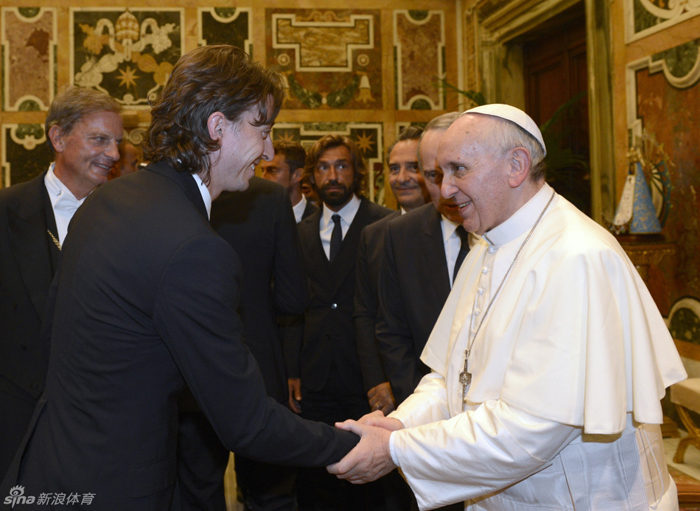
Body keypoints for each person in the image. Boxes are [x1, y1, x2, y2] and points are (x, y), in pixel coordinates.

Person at [0, 45, 358, 511]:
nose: (268, 149)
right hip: (116, 487)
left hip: (48, 470)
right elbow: (245, 422)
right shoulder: (195, 248)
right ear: (217, 128)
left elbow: (58, 341)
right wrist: (354, 445)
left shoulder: (108, 200)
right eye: (262, 130)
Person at [327, 104, 687, 511]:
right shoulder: (488, 245)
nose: (444, 190)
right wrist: (400, 422)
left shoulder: (576, 258)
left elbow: (531, 429)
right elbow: (450, 377)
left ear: (516, 165)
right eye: (441, 174)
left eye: (458, 170)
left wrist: (398, 448)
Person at [0, 85, 122, 481]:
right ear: (57, 137)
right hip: (16, 422)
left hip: (105, 427)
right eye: (100, 139)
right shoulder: (6, 212)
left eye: (117, 142)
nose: (114, 154)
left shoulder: (130, 220)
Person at [292, 134, 392, 510]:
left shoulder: (385, 224)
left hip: (366, 376)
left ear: (357, 172)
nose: (332, 175)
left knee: (367, 480)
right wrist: (292, 369)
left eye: (341, 165)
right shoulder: (299, 232)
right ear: (312, 176)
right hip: (314, 375)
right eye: (323, 167)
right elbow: (293, 308)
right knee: (315, 476)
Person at [376, 113, 467, 407]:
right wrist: (420, 406)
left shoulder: (506, 234)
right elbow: (392, 331)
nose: (447, 189)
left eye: (458, 170)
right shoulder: (400, 234)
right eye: (433, 175)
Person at [354, 125, 426, 418]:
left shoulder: (465, 230)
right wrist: (379, 381)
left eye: (413, 167)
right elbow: (365, 313)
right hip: (390, 386)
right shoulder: (374, 235)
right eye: (394, 168)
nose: (402, 178)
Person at [260, 141, 318, 222]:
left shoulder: (320, 220)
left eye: (272, 170)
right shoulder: (254, 218)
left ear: (297, 175)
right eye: (263, 170)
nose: (263, 178)